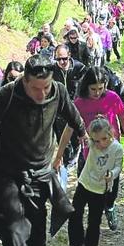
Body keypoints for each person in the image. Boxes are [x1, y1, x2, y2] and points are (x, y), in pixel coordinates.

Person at [0, 54, 87, 246]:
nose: (42, 94)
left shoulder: (58, 91)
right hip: (8, 174)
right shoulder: (7, 95)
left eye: (46, 87)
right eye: (36, 88)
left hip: (40, 175)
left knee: (36, 234)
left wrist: (83, 134)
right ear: (25, 80)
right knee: (15, 230)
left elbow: (72, 114)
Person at [55, 66, 124, 231]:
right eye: (93, 89)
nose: (97, 92)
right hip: (89, 152)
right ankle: (88, 218)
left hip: (111, 151)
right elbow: (69, 129)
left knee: (111, 185)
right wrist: (59, 155)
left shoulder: (112, 98)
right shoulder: (79, 103)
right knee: (86, 187)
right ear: (86, 86)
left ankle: (109, 207)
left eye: (100, 88)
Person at [57, 115, 123, 246]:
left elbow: (119, 166)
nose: (100, 144)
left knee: (94, 219)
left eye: (104, 139)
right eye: (96, 140)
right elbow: (80, 131)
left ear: (110, 134)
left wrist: (112, 174)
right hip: (85, 183)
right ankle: (75, 243)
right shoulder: (92, 144)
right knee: (75, 213)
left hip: (100, 189)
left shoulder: (117, 149)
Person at [52, 45, 87, 190]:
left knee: (76, 141)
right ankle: (64, 173)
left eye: (64, 59)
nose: (61, 62)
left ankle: (72, 159)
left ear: (70, 56)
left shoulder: (79, 68)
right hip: (59, 112)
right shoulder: (52, 70)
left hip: (76, 110)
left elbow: (85, 87)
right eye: (58, 59)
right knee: (63, 143)